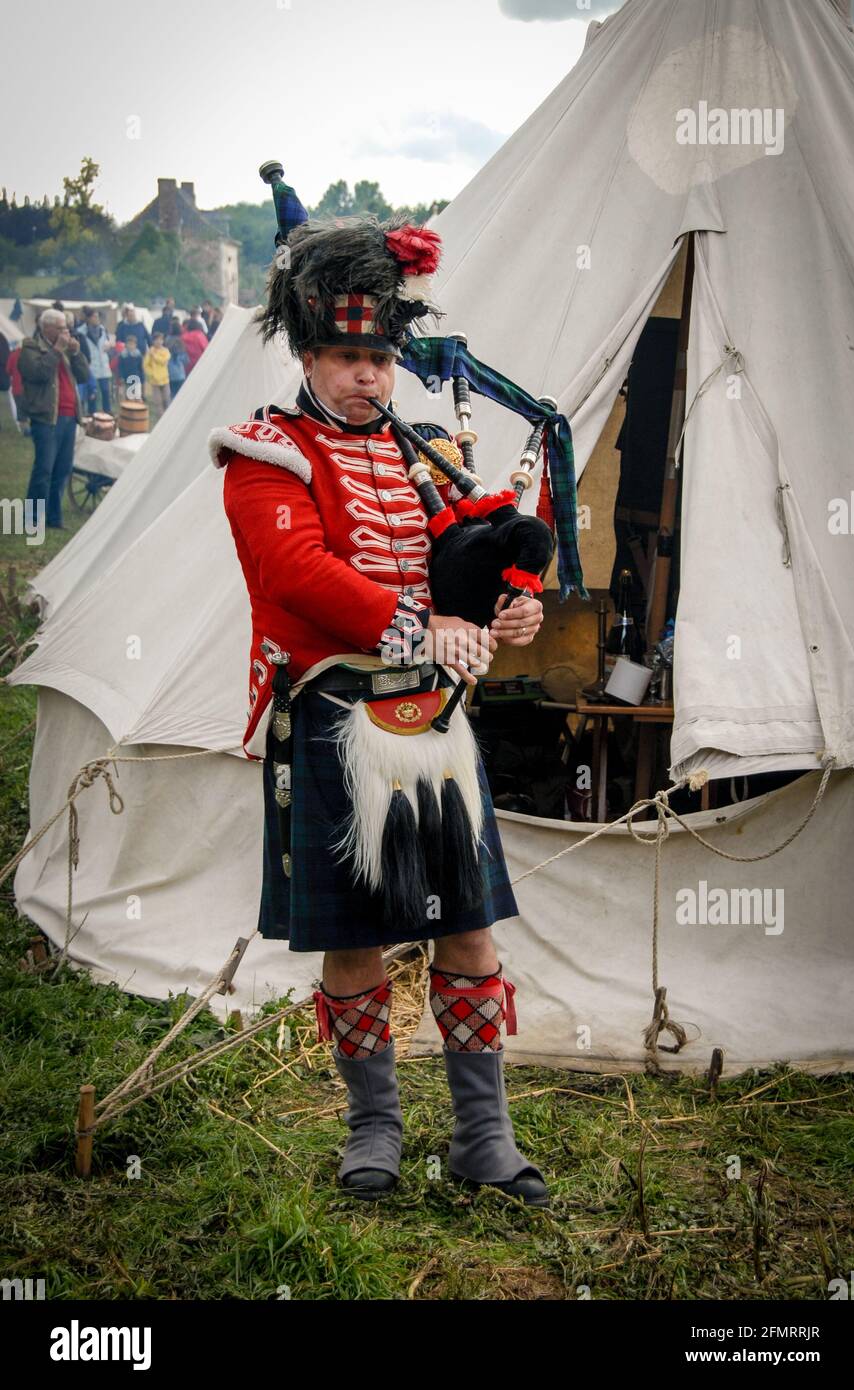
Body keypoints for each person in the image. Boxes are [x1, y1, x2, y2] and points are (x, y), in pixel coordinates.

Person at [208, 190, 550, 1207]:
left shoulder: (411, 452)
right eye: (349, 359)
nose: (368, 376)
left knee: (469, 930)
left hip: (433, 725)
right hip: (330, 714)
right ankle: (374, 1132)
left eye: (381, 359)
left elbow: (457, 556)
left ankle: (483, 1135)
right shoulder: (264, 452)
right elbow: (300, 576)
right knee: (355, 937)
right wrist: (421, 628)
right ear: (308, 357)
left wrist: (502, 608)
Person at [20, 307, 90, 528]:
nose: (65, 332)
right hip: (47, 418)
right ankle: (32, 519)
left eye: (66, 328)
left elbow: (84, 376)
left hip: (70, 417)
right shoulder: (31, 349)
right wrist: (57, 350)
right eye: (60, 328)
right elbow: (39, 374)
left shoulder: (67, 350)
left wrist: (76, 353)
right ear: (47, 328)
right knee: (44, 470)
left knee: (62, 470)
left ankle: (53, 518)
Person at [76, 307, 114, 413]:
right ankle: (92, 415)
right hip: (90, 366)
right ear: (88, 318)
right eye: (94, 316)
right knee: (92, 393)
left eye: (98, 316)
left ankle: (107, 414)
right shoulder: (81, 332)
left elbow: (108, 344)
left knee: (106, 392)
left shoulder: (103, 330)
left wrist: (109, 347)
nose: (97, 318)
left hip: (103, 366)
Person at [143, 330, 171, 419]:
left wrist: (154, 356)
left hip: (164, 379)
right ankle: (161, 418)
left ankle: (169, 416)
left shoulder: (165, 351)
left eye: (160, 340)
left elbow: (163, 361)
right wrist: (151, 373)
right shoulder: (150, 351)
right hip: (155, 381)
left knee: (166, 399)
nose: (158, 342)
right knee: (158, 401)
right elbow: (146, 365)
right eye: (156, 340)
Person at [166, 317, 188, 398]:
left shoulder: (167, 340)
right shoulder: (181, 341)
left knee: (172, 393)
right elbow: (185, 359)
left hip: (169, 371)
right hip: (180, 372)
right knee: (180, 395)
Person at [118, 335, 145, 400]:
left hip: (136, 378)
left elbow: (140, 368)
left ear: (135, 345)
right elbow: (120, 367)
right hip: (126, 379)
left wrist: (142, 378)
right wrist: (121, 377)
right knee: (127, 397)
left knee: (137, 397)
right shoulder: (123, 355)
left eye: (133, 344)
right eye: (129, 344)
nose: (131, 346)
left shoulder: (138, 355)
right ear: (126, 344)